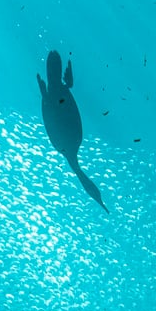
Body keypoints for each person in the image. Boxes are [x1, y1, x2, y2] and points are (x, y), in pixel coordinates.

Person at [37, 49, 106, 210]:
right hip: (56, 97)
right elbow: (56, 112)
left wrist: (46, 95)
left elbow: (51, 115)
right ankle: (98, 198)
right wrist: (48, 93)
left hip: (55, 97)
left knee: (77, 170)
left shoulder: (71, 141)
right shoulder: (68, 142)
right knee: (77, 170)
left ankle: (98, 198)